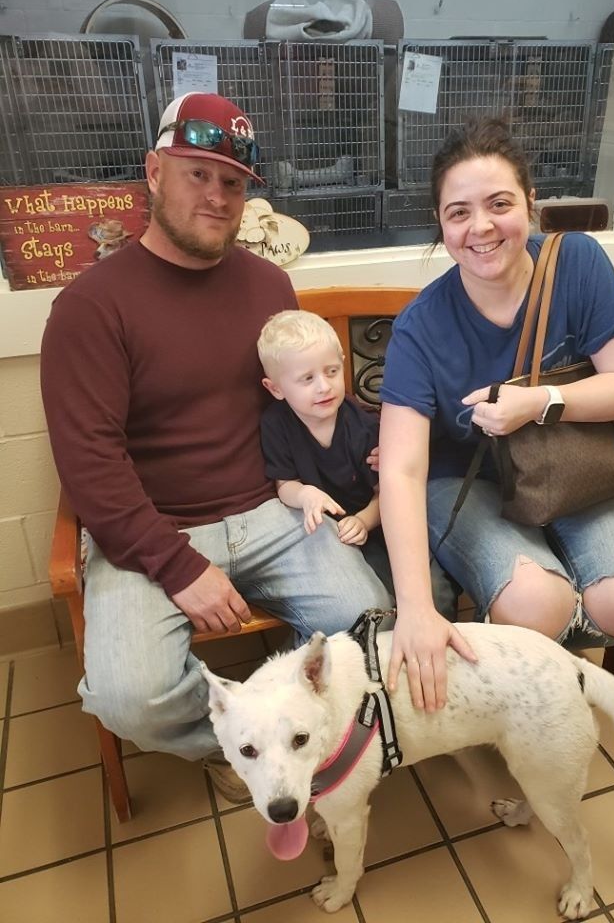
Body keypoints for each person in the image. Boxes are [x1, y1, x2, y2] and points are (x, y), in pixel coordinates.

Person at [40, 92, 391, 800]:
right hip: (151, 530)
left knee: (367, 634)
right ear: (153, 171)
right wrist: (177, 566)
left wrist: (366, 451)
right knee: (130, 698)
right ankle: (242, 752)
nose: (217, 195)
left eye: (232, 182)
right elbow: (88, 463)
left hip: (271, 511)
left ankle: (304, 744)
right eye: (197, 174)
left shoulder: (268, 284)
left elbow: (301, 403)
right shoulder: (89, 307)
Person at [378, 117, 614, 714]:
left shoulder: (578, 264)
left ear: (530, 205)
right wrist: (416, 609)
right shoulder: (420, 327)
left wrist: (540, 402)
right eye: (458, 212)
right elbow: (403, 470)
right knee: (538, 603)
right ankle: (541, 673)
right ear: (441, 223)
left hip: (570, 464)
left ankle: (544, 663)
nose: (480, 227)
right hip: (465, 480)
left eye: (499, 204)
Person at [257, 309, 459, 613]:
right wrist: (305, 495)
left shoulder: (365, 426)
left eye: (331, 372)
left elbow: (390, 491)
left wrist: (364, 520)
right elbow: (285, 483)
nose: (323, 386)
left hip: (376, 524)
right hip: (320, 536)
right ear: (276, 389)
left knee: (436, 593)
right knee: (365, 602)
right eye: (307, 379)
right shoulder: (276, 425)